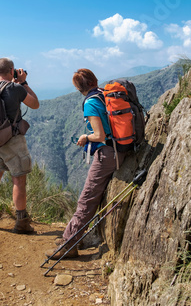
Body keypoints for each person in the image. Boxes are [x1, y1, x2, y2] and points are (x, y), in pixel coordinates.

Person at [45, 68, 126, 258]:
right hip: (120, 149)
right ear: (94, 81)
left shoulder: (90, 102)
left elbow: (99, 135)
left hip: (107, 154)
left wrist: (85, 137)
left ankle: (69, 244)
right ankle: (73, 236)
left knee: (86, 198)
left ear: (78, 87)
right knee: (90, 197)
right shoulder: (104, 94)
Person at [0, 57, 39, 234]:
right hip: (13, 140)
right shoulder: (16, 88)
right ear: (12, 70)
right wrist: (23, 82)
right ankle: (21, 222)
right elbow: (35, 104)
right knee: (19, 180)